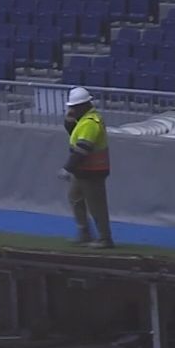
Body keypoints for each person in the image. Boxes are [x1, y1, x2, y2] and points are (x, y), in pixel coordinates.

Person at [59, 86, 114, 249]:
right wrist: (68, 120)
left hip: (93, 172)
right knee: (75, 198)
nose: (71, 109)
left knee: (97, 206)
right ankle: (84, 234)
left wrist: (67, 168)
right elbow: (74, 133)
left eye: (74, 107)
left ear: (83, 106)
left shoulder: (91, 123)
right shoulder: (84, 120)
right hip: (82, 171)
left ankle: (105, 239)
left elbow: (82, 149)